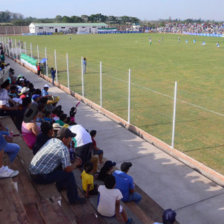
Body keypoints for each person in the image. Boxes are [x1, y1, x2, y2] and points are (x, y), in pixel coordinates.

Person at [29, 128, 86, 204]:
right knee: (69, 175)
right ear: (64, 138)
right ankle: (74, 199)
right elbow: (67, 169)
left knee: (61, 166)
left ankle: (61, 185)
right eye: (70, 138)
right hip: (40, 177)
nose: (71, 140)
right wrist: (75, 163)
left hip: (33, 171)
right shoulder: (63, 149)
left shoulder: (52, 140)